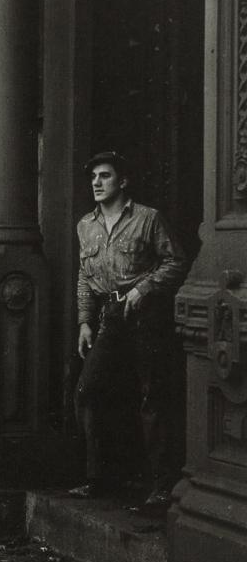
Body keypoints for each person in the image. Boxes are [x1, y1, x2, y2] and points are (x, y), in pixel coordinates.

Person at [73, 151, 187, 509]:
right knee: (88, 391)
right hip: (108, 316)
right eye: (93, 177)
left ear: (123, 181)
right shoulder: (85, 225)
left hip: (145, 315)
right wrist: (84, 322)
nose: (96, 182)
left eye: (104, 176)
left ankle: (161, 485)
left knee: (151, 396)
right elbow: (84, 277)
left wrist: (144, 288)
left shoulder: (148, 219)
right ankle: (97, 478)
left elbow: (176, 261)